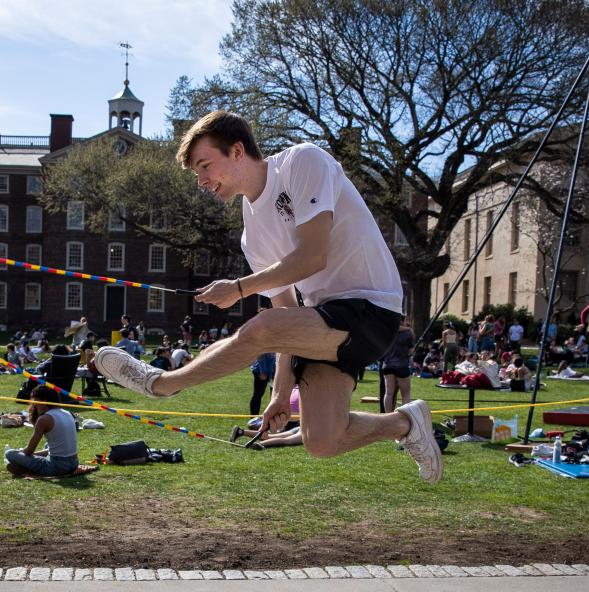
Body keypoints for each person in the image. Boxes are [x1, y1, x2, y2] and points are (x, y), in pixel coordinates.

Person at [94, 110, 442, 482]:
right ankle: (407, 423)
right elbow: (286, 311)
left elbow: (312, 256)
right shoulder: (251, 235)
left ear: (238, 150)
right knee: (322, 440)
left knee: (261, 328)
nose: (202, 181)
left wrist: (241, 287)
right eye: (196, 173)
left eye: (205, 166)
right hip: (325, 322)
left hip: (372, 308)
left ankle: (161, 384)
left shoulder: (302, 162)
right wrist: (280, 392)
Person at [4, 385, 80, 477]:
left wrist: (20, 452)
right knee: (48, 445)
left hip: (56, 467)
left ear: (44, 401)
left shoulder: (44, 419)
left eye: (35, 401)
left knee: (9, 453)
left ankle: (25, 469)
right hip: (74, 463)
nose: (34, 405)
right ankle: (24, 467)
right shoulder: (67, 413)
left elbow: (29, 451)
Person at [380, 316, 414, 412]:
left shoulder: (387, 332)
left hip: (387, 365)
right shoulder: (408, 333)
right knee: (406, 394)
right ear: (402, 321)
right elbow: (410, 351)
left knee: (388, 393)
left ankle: (388, 415)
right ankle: (404, 415)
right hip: (402, 365)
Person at [249, 351, 276, 417]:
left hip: (273, 370)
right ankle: (254, 418)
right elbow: (260, 354)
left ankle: (272, 416)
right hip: (261, 370)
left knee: (274, 395)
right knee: (258, 395)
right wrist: (263, 371)